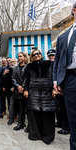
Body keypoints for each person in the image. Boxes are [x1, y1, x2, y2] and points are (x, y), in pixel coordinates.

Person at [53, 4, 76, 149]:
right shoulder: (63, 37)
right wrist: (56, 80)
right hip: (70, 80)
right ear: (74, 11)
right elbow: (57, 61)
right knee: (73, 118)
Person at [24, 50, 57, 145]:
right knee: (34, 113)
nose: (36, 55)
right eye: (34, 54)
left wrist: (54, 89)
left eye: (38, 53)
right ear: (32, 57)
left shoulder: (50, 63)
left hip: (47, 91)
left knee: (48, 113)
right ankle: (35, 135)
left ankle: (47, 137)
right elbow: (27, 80)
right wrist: (26, 90)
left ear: (41, 55)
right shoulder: (29, 66)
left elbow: (54, 77)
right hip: (33, 92)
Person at [47, 49, 70, 135]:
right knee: (58, 108)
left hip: (61, 90)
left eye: (53, 56)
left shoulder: (60, 64)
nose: (51, 57)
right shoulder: (50, 65)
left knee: (64, 109)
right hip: (54, 90)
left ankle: (66, 127)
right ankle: (60, 122)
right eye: (50, 56)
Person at [12, 52, 28, 131]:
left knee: (27, 108)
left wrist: (23, 87)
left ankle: (27, 124)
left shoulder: (28, 67)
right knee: (19, 108)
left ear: (24, 57)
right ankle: (20, 123)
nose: (19, 58)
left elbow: (28, 78)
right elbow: (13, 78)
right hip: (17, 91)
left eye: (21, 56)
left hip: (26, 90)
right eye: (18, 57)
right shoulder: (15, 68)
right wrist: (18, 86)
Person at [3, 57, 14, 124]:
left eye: (9, 60)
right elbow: (4, 79)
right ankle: (10, 114)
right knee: (9, 101)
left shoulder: (14, 67)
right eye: (7, 61)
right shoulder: (6, 69)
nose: (8, 62)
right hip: (8, 88)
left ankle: (15, 115)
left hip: (14, 87)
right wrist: (4, 74)